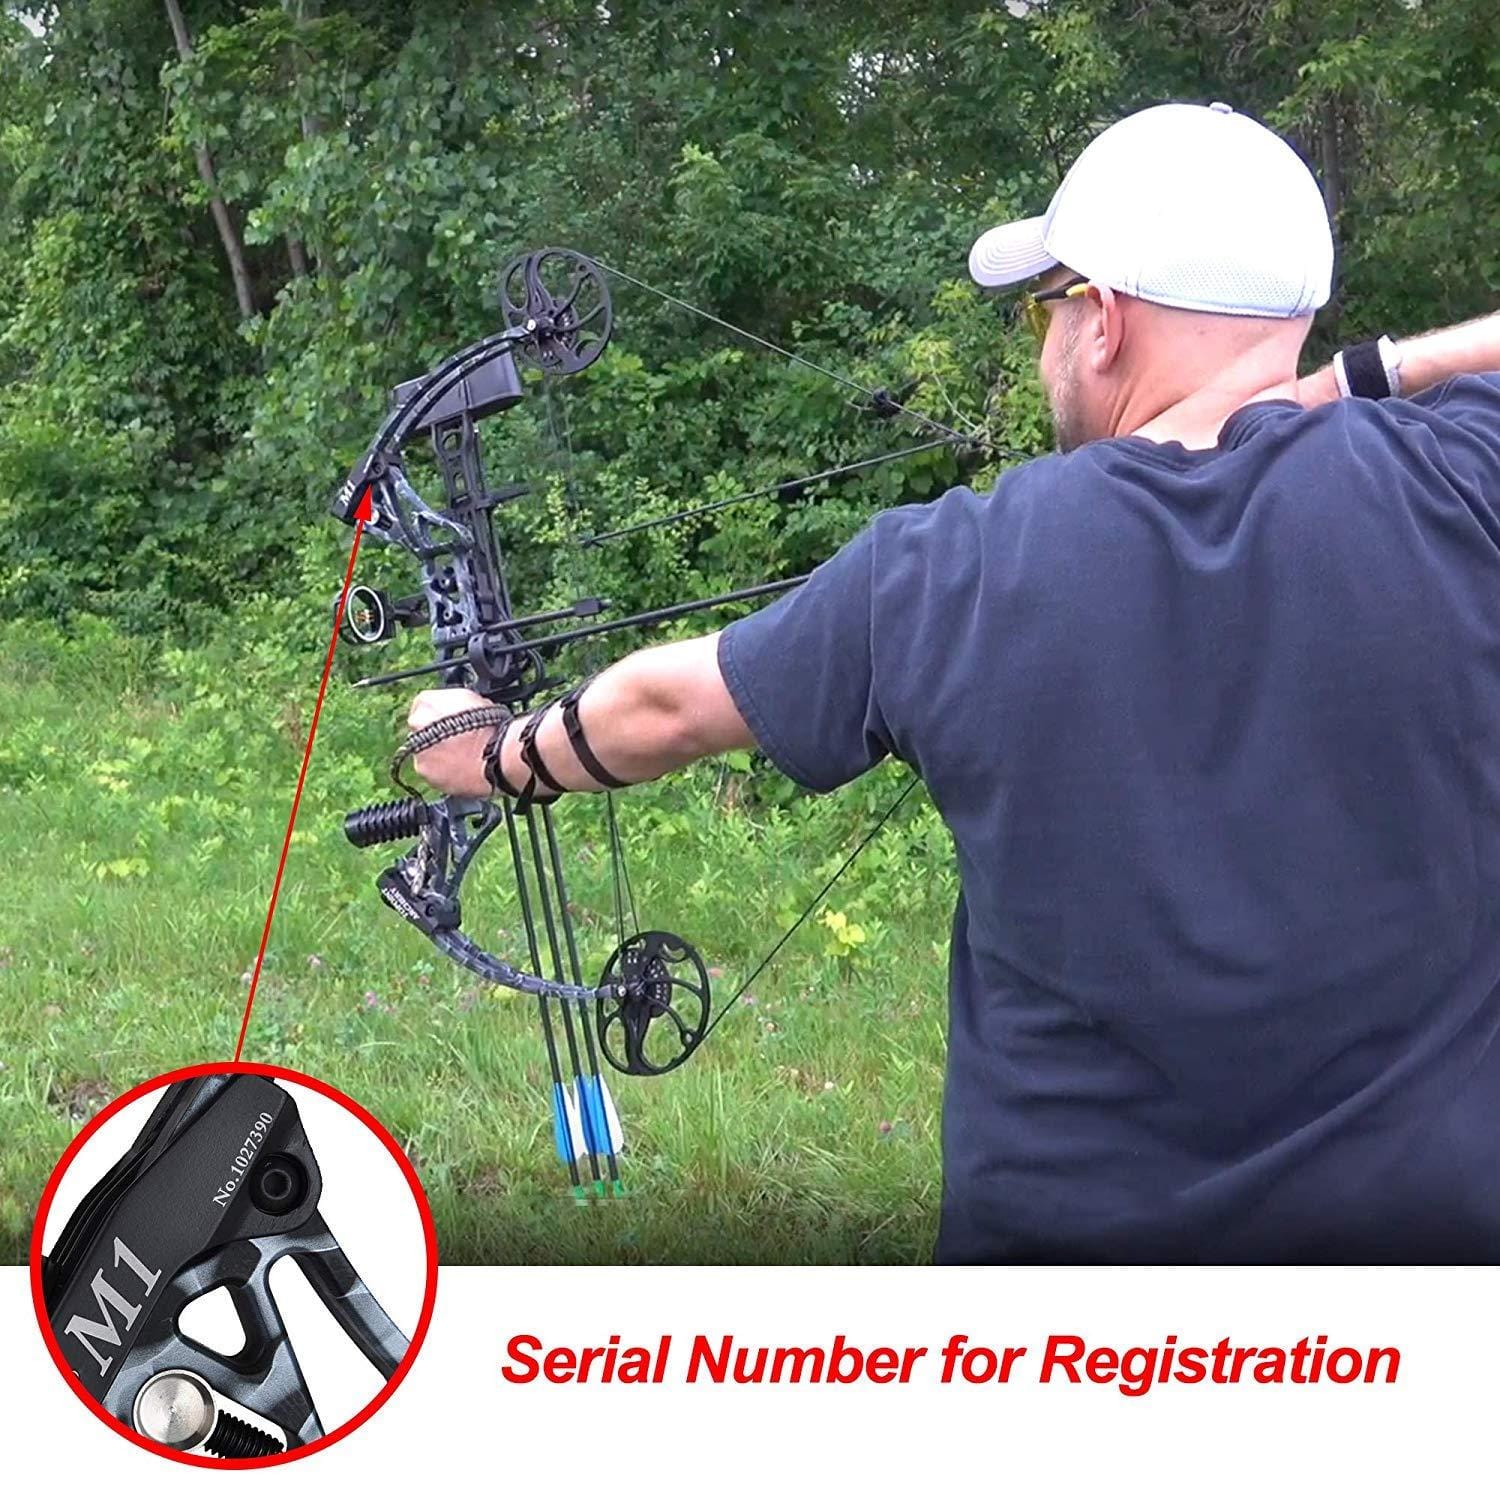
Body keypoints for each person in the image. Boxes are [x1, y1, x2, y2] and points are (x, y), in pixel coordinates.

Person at [408, 102, 1500, 1263]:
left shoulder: (948, 567)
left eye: (1045, 308)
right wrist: (1356, 379)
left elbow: (665, 708)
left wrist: (486, 752)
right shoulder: (1466, 479)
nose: (1042, 343)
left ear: (1105, 323)